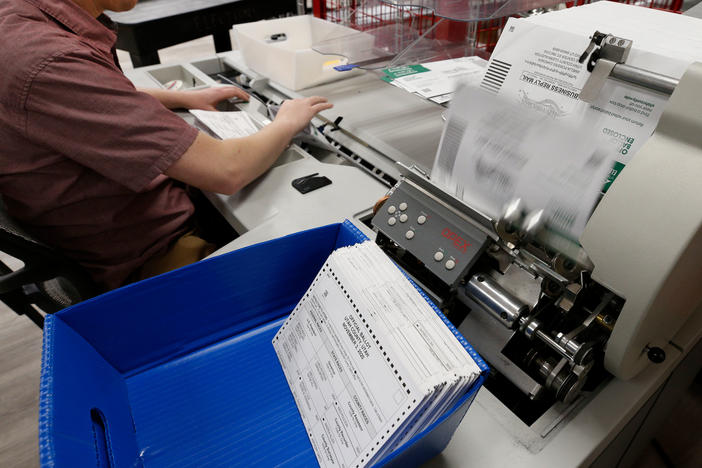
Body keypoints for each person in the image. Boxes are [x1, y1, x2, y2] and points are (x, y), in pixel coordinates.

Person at [0, 0, 333, 292]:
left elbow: (96, 94)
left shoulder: (20, 25)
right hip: (151, 261)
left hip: (113, 228)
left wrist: (184, 97)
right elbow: (227, 170)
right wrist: (287, 122)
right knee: (326, 263)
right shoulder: (49, 59)